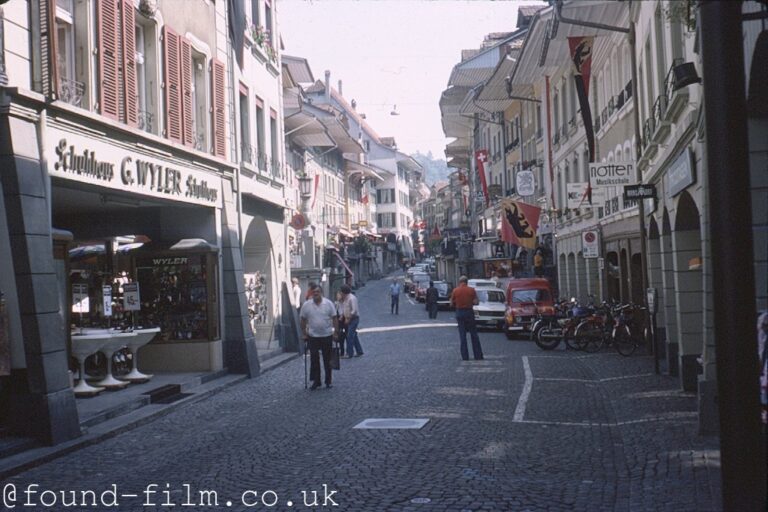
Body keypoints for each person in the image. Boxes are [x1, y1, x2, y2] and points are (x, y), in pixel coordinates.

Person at [300, 285, 338, 390]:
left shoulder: (328, 304)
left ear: (321, 292)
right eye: (314, 292)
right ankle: (316, 381)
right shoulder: (307, 305)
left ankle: (328, 381)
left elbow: (334, 318)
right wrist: (304, 333)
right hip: (312, 336)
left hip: (327, 335)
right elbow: (302, 319)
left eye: (317, 291)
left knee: (327, 359)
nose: (315, 293)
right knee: (314, 359)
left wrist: (336, 333)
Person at [449, 275, 484, 361]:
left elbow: (451, 303)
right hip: (469, 312)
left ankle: (465, 356)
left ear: (459, 282)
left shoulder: (455, 290)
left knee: (462, 335)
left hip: (460, 313)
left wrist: (456, 303)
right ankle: (478, 355)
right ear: (467, 282)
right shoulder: (471, 290)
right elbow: (476, 302)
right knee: (474, 334)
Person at [340, 284, 364, 357]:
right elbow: (345, 309)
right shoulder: (345, 299)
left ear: (344, 292)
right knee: (354, 335)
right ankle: (359, 351)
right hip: (348, 319)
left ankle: (349, 353)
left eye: (341, 292)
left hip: (353, 319)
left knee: (349, 336)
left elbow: (354, 311)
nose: (340, 293)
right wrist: (342, 316)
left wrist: (348, 318)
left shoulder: (352, 298)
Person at [334, 290, 347, 357]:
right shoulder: (337, 303)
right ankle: (340, 350)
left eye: (338, 295)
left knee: (342, 336)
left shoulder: (344, 303)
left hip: (343, 321)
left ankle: (343, 351)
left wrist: (342, 316)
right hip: (338, 320)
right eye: (337, 295)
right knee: (338, 336)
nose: (337, 296)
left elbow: (344, 311)